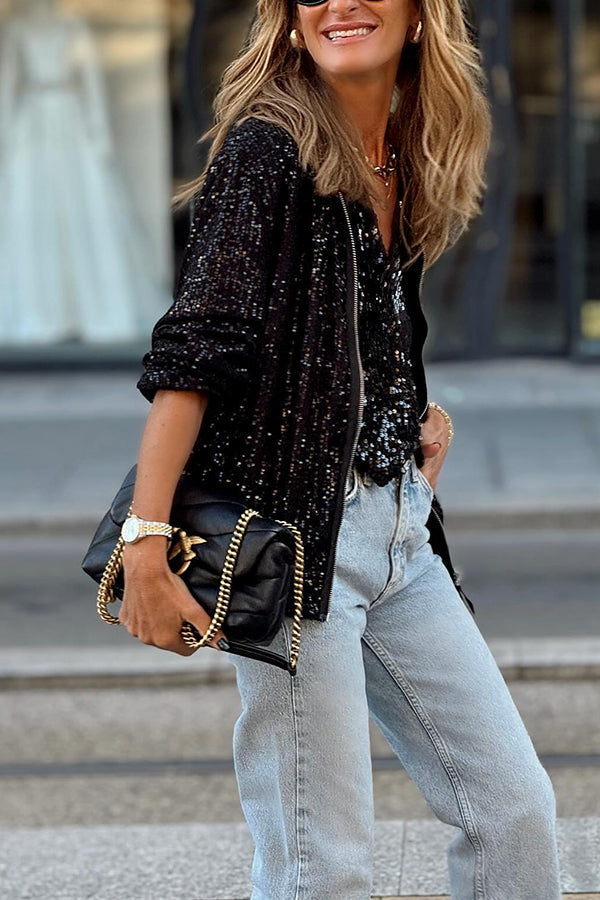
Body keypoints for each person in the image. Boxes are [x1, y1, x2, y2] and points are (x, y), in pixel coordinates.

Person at [120, 0, 562, 897]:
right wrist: (145, 537)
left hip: (401, 530)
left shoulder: (407, 147)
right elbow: (196, 352)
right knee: (322, 864)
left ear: (420, 14)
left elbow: (358, 328)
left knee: (513, 809)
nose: (340, 2)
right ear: (289, 19)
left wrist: (406, 415)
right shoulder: (266, 148)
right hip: (295, 543)